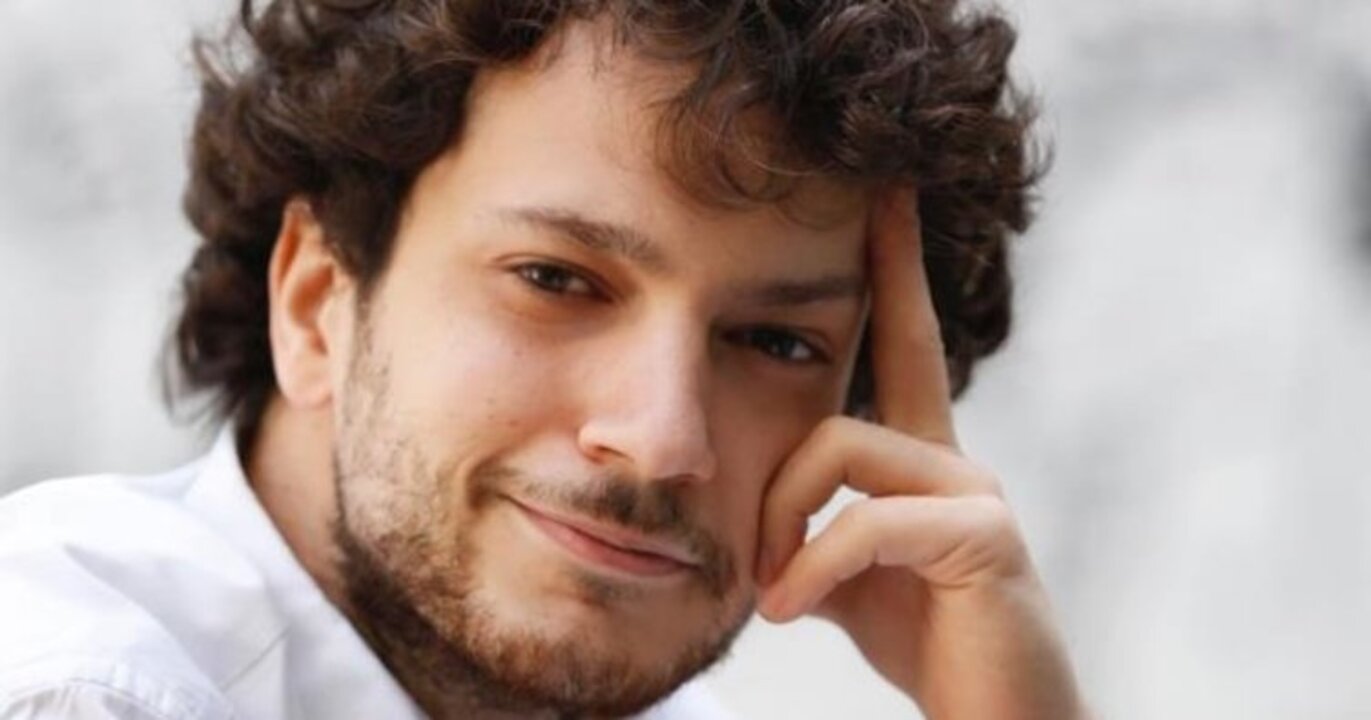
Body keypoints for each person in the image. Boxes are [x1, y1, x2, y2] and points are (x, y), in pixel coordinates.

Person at [0, 0, 1087, 718]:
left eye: (775, 342)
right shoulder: (79, 683)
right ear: (317, 297)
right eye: (557, 280)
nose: (662, 439)